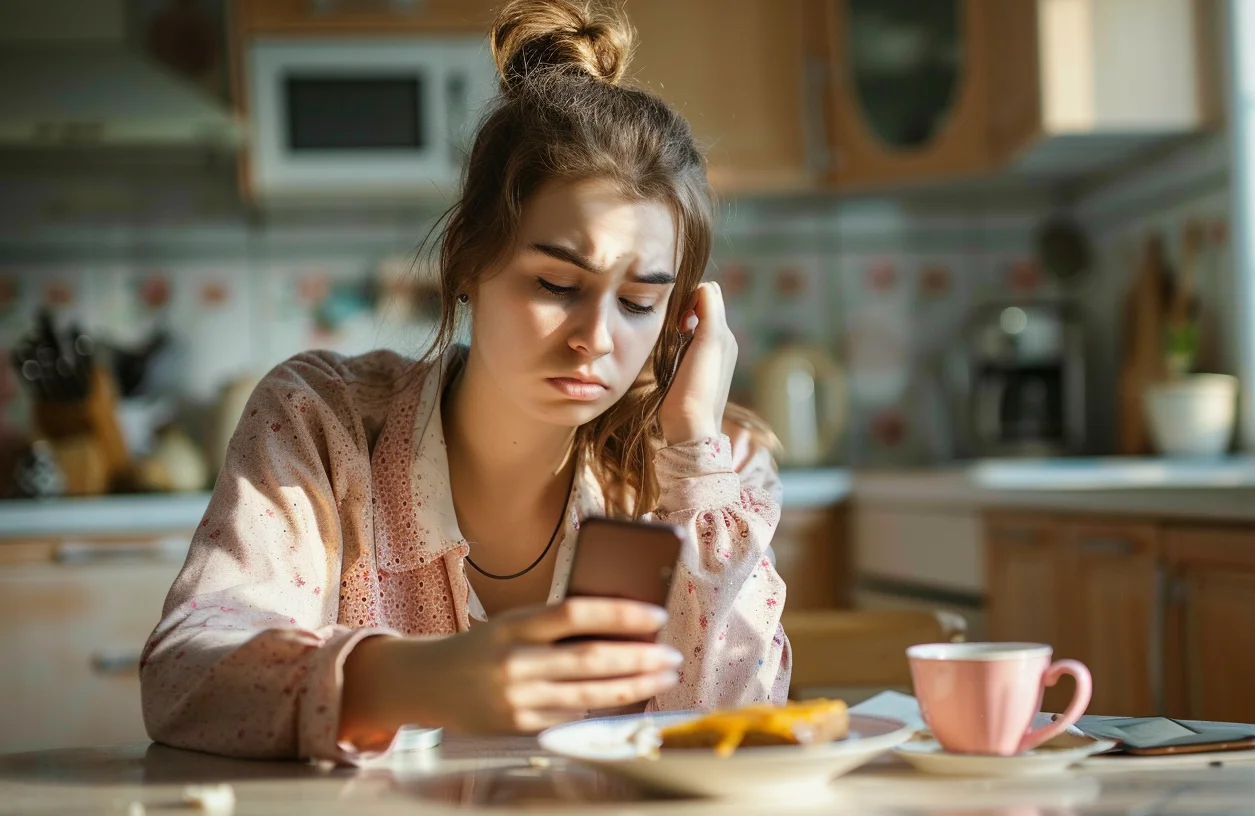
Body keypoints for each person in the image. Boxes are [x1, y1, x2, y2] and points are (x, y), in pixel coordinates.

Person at [139, 0, 791, 763]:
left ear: (681, 316)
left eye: (641, 302)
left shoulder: (717, 473)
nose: (597, 338)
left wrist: (692, 452)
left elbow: (743, 739)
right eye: (555, 284)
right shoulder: (320, 423)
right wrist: (415, 678)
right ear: (468, 263)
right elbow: (184, 674)